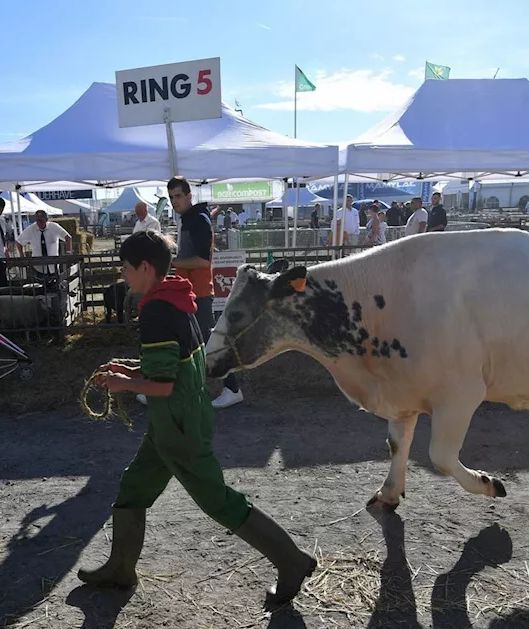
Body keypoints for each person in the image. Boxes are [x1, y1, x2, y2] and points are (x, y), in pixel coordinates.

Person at [77, 229, 317, 607]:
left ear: (144, 267)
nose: (122, 275)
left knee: (216, 501)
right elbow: (178, 364)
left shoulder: (156, 309)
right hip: (175, 419)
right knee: (135, 486)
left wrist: (124, 383)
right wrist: (132, 368)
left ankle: (291, 560)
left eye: (125, 267)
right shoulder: (175, 294)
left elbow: (165, 384)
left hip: (178, 423)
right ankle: (121, 568)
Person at [165, 175, 246, 409]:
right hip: (189, 290)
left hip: (197, 292)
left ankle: (231, 388)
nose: (174, 201)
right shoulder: (190, 218)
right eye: (171, 197)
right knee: (186, 341)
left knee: (205, 343)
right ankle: (171, 389)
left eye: (178, 196)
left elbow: (202, 261)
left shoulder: (198, 220)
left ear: (189, 196)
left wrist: (172, 261)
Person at [16, 210, 72, 278]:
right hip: (38, 266)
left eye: (41, 220)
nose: (39, 223)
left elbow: (68, 237)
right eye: (37, 221)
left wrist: (69, 252)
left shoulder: (54, 227)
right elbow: (19, 242)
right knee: (40, 286)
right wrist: (22, 256)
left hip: (53, 265)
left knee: (55, 285)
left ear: (46, 220)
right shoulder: (31, 229)